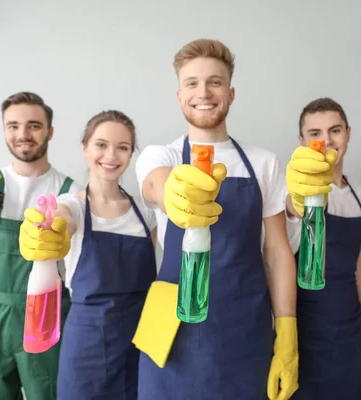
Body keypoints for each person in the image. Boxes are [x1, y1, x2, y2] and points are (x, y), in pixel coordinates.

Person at [132, 38, 299, 400]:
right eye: (191, 83)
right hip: (170, 338)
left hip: (244, 331)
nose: (203, 92)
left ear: (231, 93)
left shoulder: (263, 163)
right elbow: (153, 185)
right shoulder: (162, 155)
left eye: (215, 82)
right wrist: (172, 192)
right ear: (179, 95)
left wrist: (287, 331)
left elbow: (276, 251)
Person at [18, 110, 158, 399]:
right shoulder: (73, 207)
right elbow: (62, 220)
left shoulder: (146, 215)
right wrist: (50, 230)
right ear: (85, 148)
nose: (111, 155)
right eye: (101, 144)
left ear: (131, 154)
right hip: (86, 348)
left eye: (123, 147)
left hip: (139, 345)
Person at [0, 91, 82, 400]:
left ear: (50, 131)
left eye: (34, 125)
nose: (22, 134)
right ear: (4, 130)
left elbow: (74, 229)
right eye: (13, 126)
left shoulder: (70, 190)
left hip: (46, 315)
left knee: (48, 393)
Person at [284, 97, 361, 399]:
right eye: (315, 133)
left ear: (348, 133)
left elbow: (360, 262)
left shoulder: (359, 193)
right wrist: (296, 205)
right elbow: (281, 241)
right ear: (302, 141)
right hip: (304, 326)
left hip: (348, 327)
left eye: (335, 130)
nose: (327, 140)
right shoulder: (294, 189)